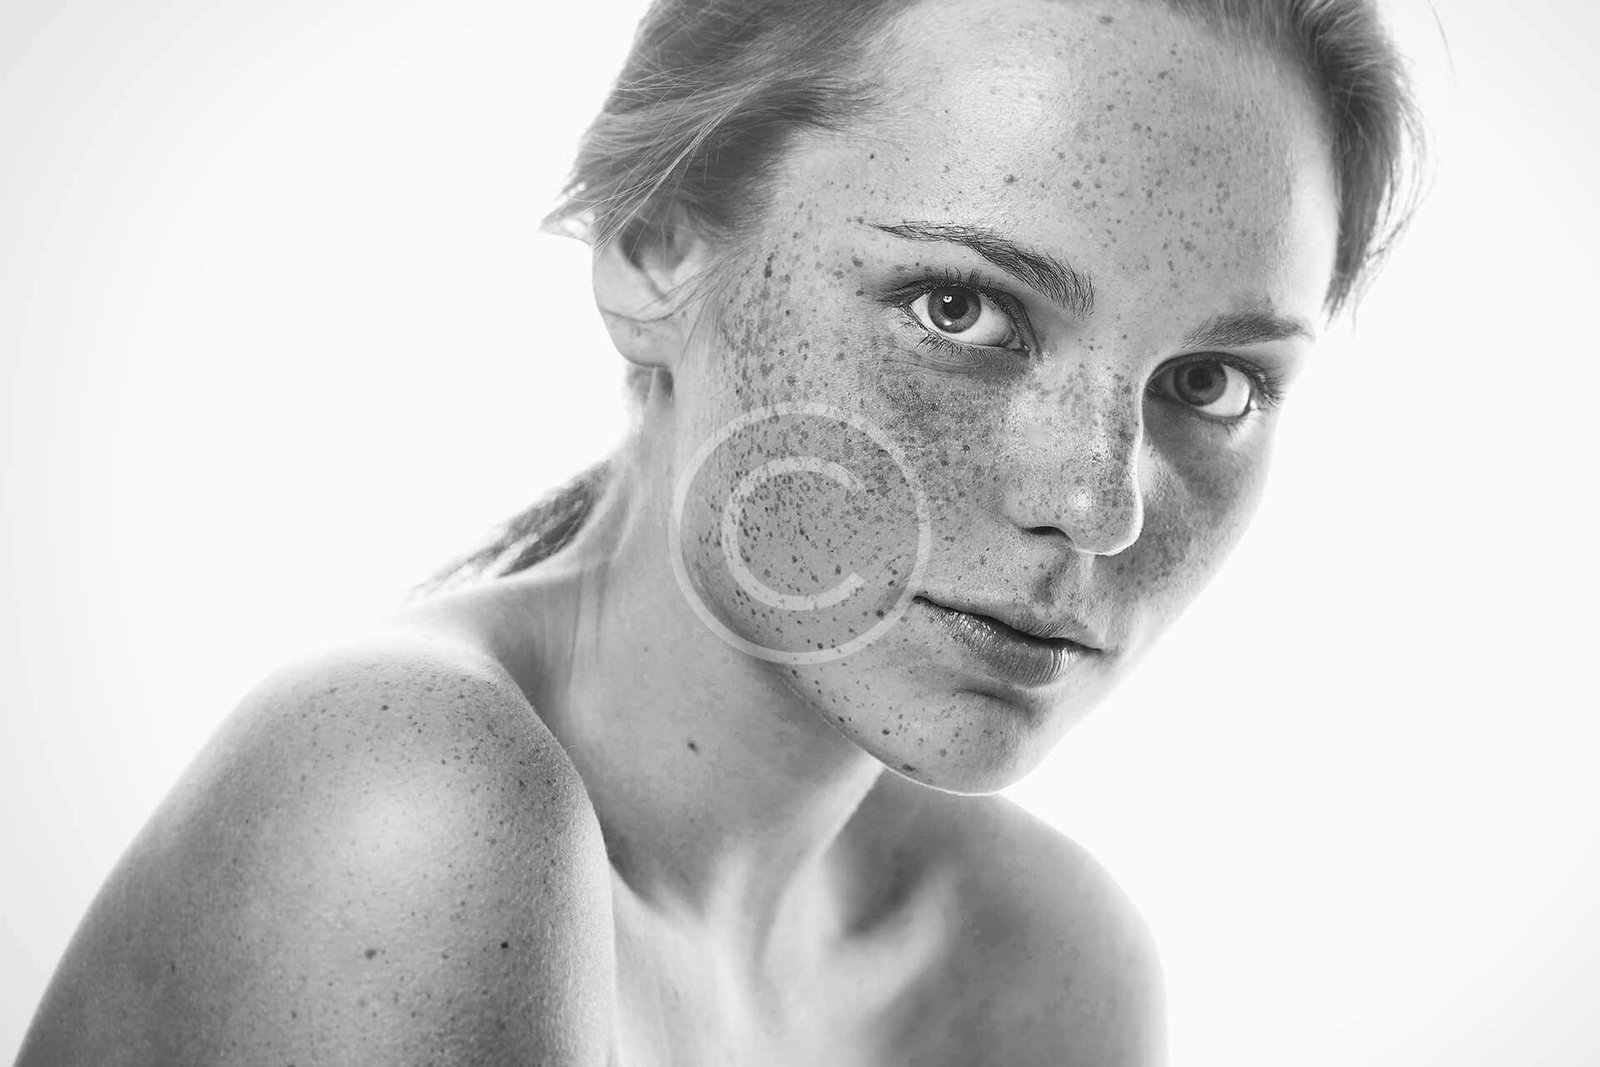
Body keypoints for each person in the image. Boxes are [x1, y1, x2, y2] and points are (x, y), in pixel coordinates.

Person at [18, 0, 1420, 1062]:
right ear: (653, 248)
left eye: (1210, 384)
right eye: (960, 310)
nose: (1100, 506)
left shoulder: (1040, 967)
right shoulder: (413, 808)